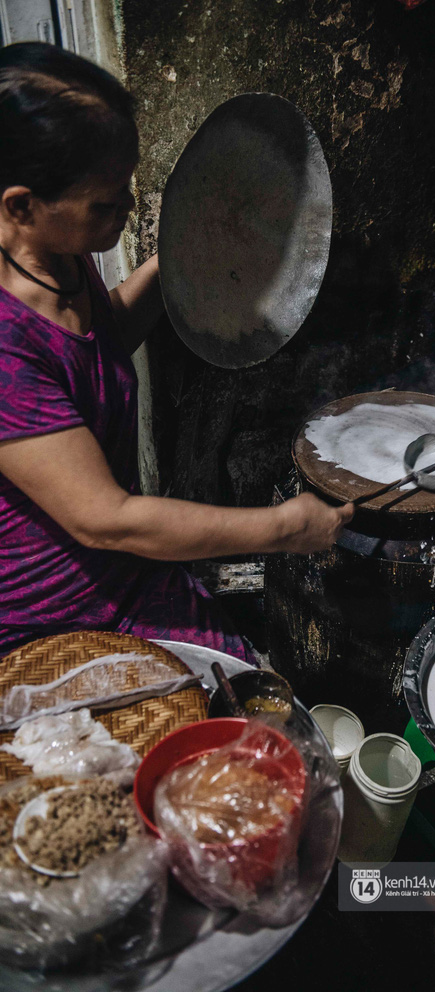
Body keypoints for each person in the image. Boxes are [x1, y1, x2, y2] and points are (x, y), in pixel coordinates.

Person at [0, 42, 353, 661]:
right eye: (105, 205)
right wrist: (282, 529)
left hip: (125, 572)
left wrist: (190, 250)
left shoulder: (53, 257)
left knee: (248, 693)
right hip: (48, 614)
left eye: (126, 191)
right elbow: (104, 517)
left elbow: (95, 343)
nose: (128, 212)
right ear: (21, 206)